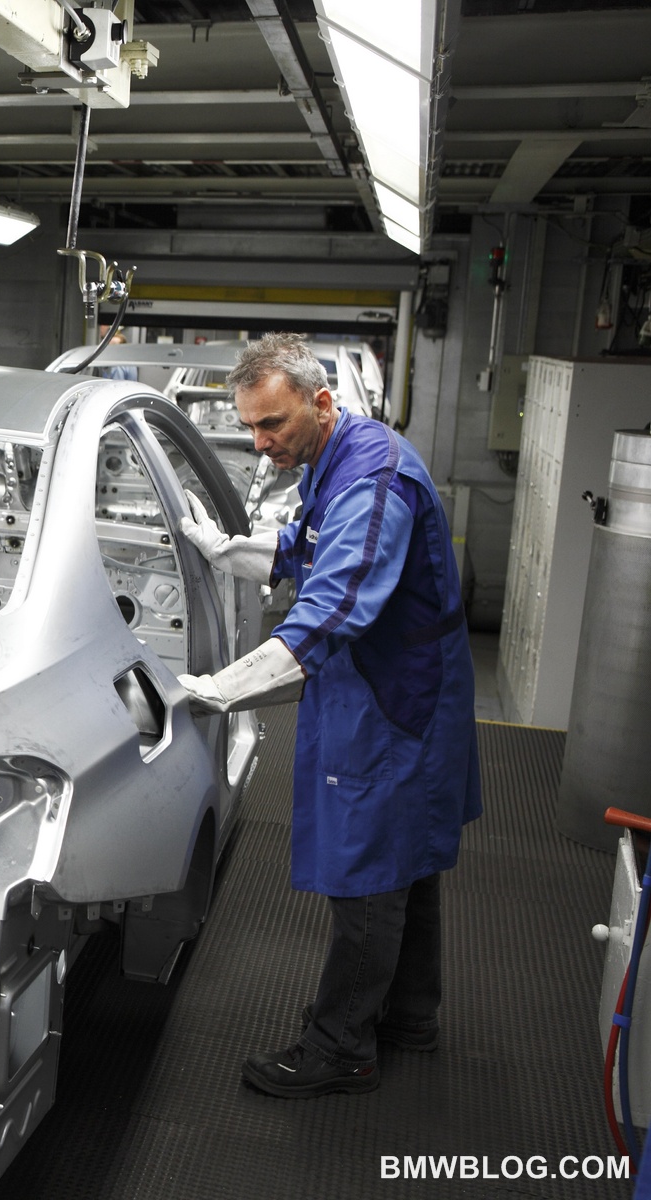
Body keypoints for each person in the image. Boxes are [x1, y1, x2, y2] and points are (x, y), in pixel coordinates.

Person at [176, 332, 480, 1099]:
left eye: (272, 424)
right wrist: (225, 550)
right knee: (407, 859)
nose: (260, 442)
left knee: (370, 871)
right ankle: (408, 1015)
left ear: (320, 402)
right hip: (394, 683)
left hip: (394, 696)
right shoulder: (337, 454)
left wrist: (213, 691)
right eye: (250, 426)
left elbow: (325, 618)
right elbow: (303, 548)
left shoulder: (373, 482)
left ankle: (342, 1045)